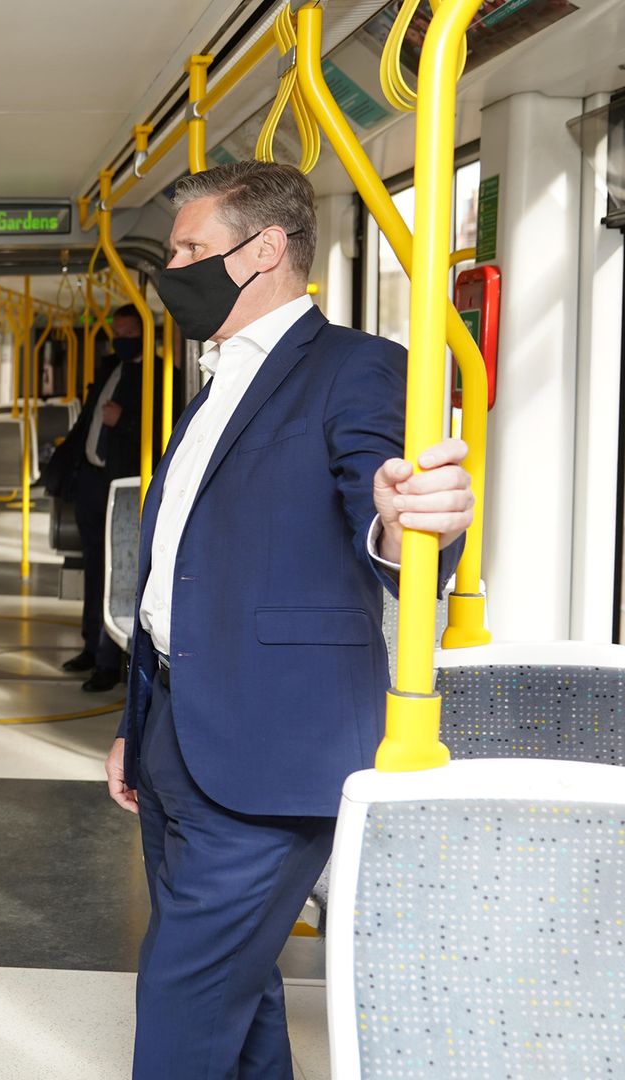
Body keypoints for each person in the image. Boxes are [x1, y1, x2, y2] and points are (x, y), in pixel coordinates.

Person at [103, 161, 473, 1080]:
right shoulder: (216, 382)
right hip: (177, 734)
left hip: (272, 747)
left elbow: (382, 506)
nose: (174, 267)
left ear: (261, 250)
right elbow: (179, 573)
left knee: (182, 995)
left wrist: (401, 521)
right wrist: (134, 726)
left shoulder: (356, 369)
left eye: (190, 248)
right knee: (240, 985)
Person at [49, 304, 146, 685]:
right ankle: (91, 645)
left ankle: (110, 660)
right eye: (116, 334)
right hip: (91, 478)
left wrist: (125, 421)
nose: (120, 341)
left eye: (129, 334)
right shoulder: (108, 369)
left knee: (119, 568)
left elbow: (162, 432)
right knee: (94, 566)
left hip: (123, 483)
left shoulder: (161, 374)